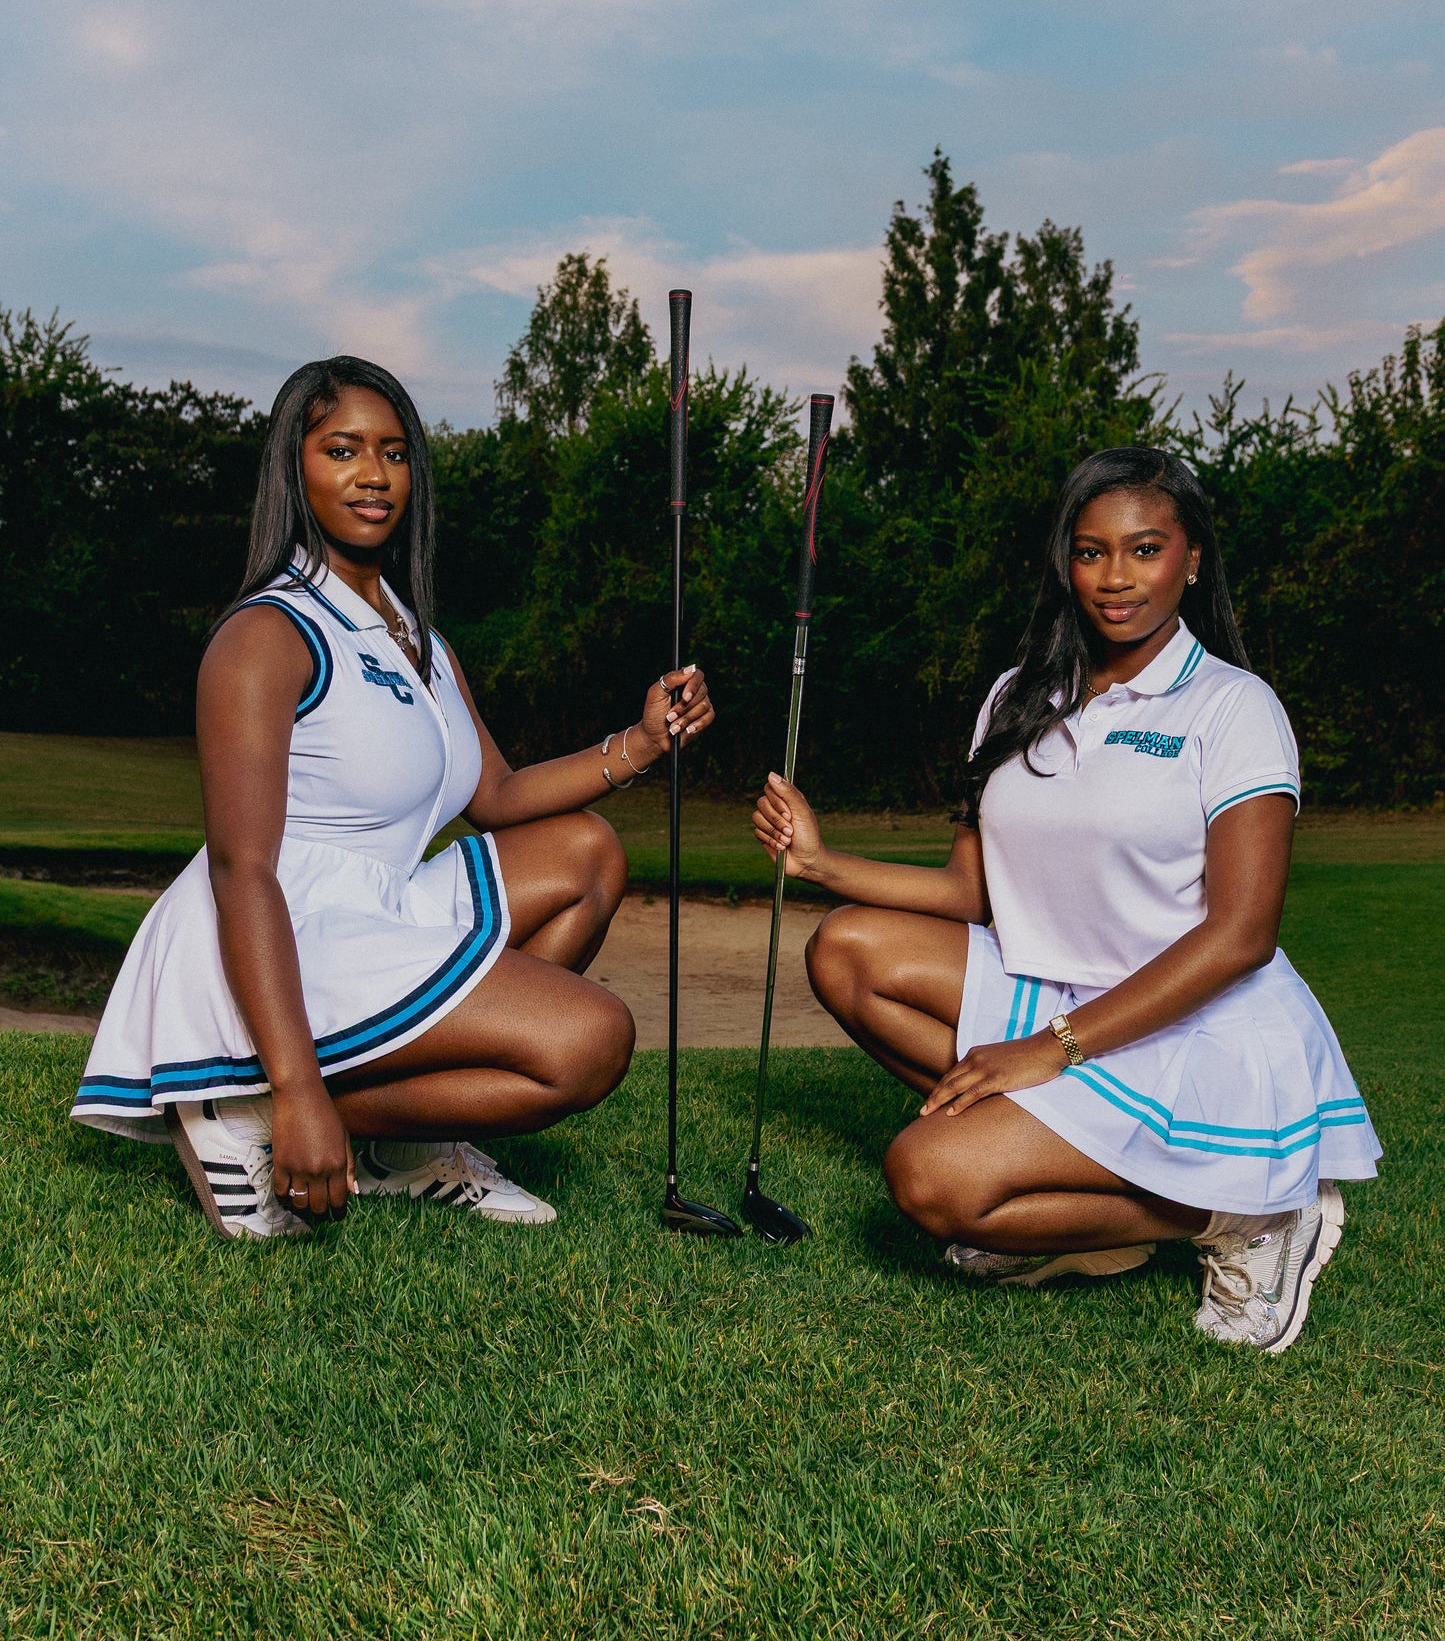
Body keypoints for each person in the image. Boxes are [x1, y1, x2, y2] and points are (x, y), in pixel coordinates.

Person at [754, 447, 1378, 1353]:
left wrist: (1048, 1053)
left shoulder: (1232, 706)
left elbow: (1240, 936)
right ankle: (1084, 1232)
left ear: (1192, 559)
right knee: (847, 949)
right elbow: (970, 893)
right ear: (1066, 562)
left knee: (934, 1184)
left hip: (1193, 1023)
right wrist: (818, 863)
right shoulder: (1020, 696)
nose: (1114, 579)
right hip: (1056, 989)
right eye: (1091, 553)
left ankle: (1249, 1216)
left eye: (1144, 549)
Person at [74, 356, 714, 1239]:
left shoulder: (415, 635)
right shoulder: (267, 632)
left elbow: (494, 795)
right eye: (342, 449)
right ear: (293, 470)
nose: (374, 475)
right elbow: (241, 867)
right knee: (587, 1042)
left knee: (586, 851)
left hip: (373, 907)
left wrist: (639, 744)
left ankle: (393, 1145)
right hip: (279, 927)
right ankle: (262, 1112)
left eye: (395, 452)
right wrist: (300, 1090)